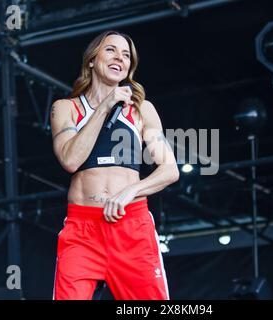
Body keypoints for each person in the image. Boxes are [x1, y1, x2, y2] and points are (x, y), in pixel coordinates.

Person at [50, 30, 179, 300]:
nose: (119, 57)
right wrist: (105, 106)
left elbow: (170, 170)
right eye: (111, 50)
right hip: (82, 230)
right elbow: (70, 160)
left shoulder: (142, 109)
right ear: (92, 60)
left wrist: (131, 191)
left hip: (131, 226)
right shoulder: (65, 108)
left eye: (126, 55)